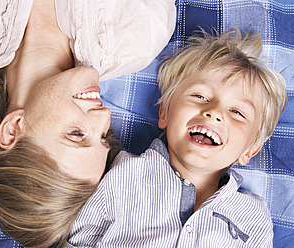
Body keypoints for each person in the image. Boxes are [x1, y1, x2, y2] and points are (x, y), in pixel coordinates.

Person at [0, 0, 176, 247]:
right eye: (102, 136)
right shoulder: (140, 37)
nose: (104, 115)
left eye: (76, 134)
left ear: (12, 130)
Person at [66, 27, 287, 247]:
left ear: (250, 150)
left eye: (237, 112)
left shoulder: (253, 216)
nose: (215, 112)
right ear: (164, 113)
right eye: (200, 96)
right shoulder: (118, 174)